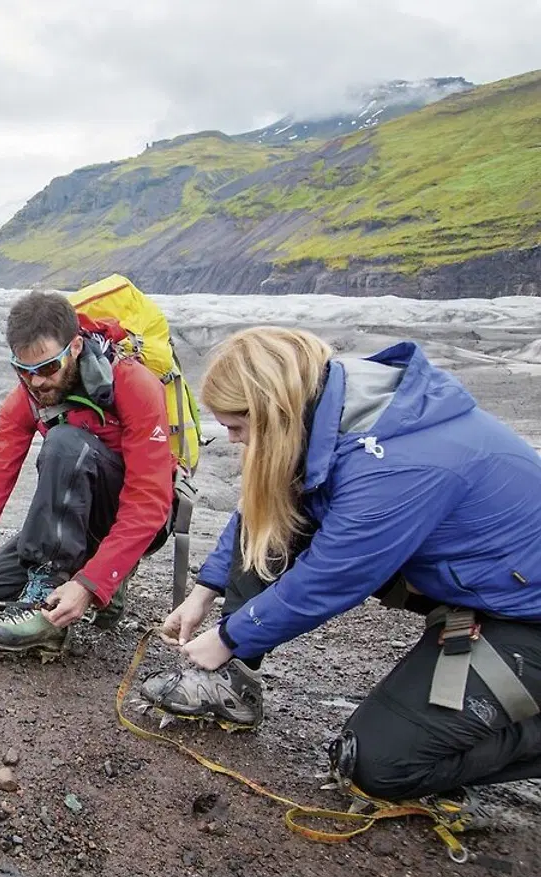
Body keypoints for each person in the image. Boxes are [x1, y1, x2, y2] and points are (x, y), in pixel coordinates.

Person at [143, 327, 541, 816]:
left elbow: (331, 578)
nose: (230, 439)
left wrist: (226, 638)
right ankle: (234, 684)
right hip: (476, 585)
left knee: (377, 766)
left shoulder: (398, 464)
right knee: (282, 513)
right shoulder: (324, 407)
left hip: (525, 618)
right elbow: (265, 512)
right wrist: (204, 590)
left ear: (273, 412)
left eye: (238, 426)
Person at [0, 291, 176, 655]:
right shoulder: (26, 399)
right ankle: (99, 590)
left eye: (48, 367)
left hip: (131, 517)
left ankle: (56, 596)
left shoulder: (134, 385)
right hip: (73, 516)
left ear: (76, 347)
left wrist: (90, 585)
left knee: (65, 442)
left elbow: (148, 502)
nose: (36, 382)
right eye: (24, 370)